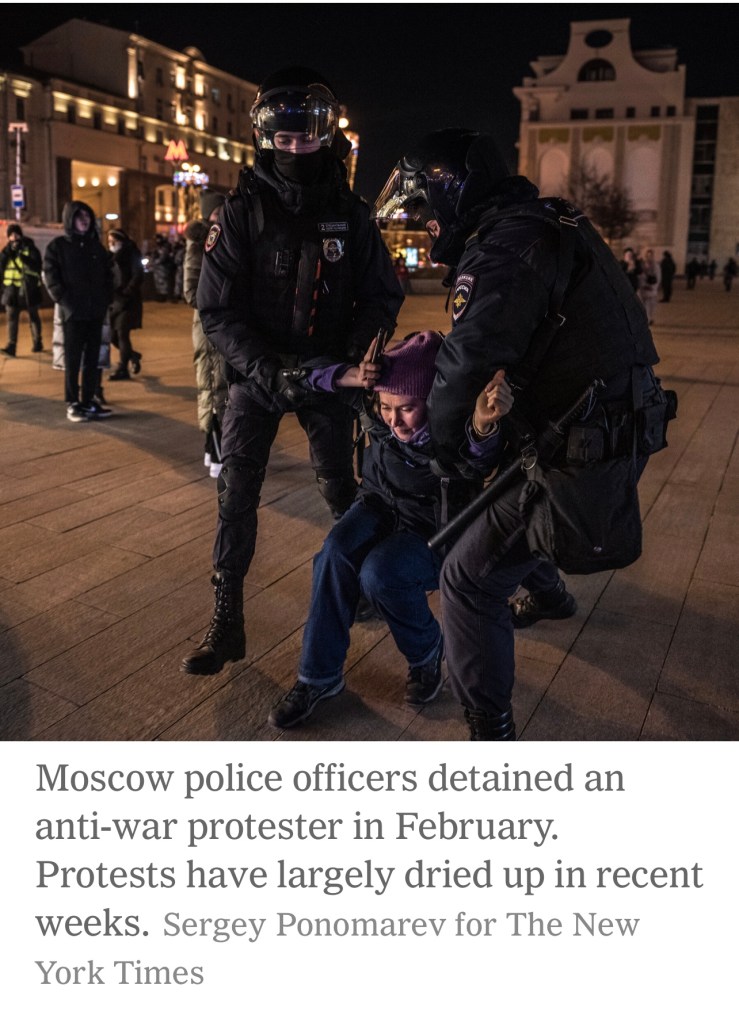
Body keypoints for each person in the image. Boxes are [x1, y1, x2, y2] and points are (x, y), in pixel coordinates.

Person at [374, 128, 664, 741]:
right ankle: (552, 597)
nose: (423, 223)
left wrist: (447, 451)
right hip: (606, 424)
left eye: (425, 207)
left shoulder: (505, 248)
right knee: (512, 528)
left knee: (469, 578)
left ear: (453, 193)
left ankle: (491, 731)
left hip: (580, 443)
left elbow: (465, 365)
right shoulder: (544, 222)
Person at [181, 66, 404, 676]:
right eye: (283, 135)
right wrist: (263, 368)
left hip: (328, 376)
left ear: (326, 135)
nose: (295, 146)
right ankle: (227, 619)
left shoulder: (352, 215)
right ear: (264, 137)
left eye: (307, 134)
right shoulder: (241, 212)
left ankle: (361, 587)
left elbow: (382, 296)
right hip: (258, 379)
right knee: (236, 495)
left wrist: (354, 357)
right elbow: (215, 308)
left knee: (340, 487)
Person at [268, 330, 513, 728]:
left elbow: (479, 459)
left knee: (380, 573)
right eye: (385, 405)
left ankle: (426, 652)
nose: (394, 420)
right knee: (333, 553)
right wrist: (353, 375)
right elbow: (303, 376)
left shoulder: (451, 427)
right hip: (380, 504)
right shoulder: (375, 407)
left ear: (433, 401)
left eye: (408, 408)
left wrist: (485, 428)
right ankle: (318, 677)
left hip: (435, 529)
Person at [43, 201, 113, 422]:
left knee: (93, 359)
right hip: (72, 314)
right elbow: (50, 276)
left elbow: (109, 275)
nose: (84, 220)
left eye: (87, 216)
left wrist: (104, 301)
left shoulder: (95, 247)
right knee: (73, 361)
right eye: (79, 216)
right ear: (70, 219)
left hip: (94, 313)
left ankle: (89, 399)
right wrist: (65, 301)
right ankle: (73, 402)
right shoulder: (59, 246)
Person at [184, 191, 228, 478]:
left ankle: (216, 450)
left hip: (227, 325)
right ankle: (215, 452)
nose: (220, 217)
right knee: (213, 389)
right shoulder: (198, 245)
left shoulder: (229, 238)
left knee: (224, 389)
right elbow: (191, 292)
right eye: (216, 213)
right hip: (208, 326)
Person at [107, 229, 144, 381]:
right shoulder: (111, 256)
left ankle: (123, 368)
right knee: (112, 336)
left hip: (128, 301)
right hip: (114, 301)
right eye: (109, 241)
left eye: (113, 241)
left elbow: (138, 275)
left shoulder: (132, 253)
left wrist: (127, 292)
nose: (111, 244)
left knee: (122, 333)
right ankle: (133, 355)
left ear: (121, 241)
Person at [1, 224, 44, 356]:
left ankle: (37, 341)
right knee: (12, 318)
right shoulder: (6, 251)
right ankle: (11, 345)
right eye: (11, 235)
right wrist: (7, 254)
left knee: (33, 316)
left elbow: (37, 265)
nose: (14, 237)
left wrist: (22, 256)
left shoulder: (30, 248)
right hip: (11, 290)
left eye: (16, 234)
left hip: (28, 289)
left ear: (21, 235)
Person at [638, 249, 661, 324]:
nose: (649, 257)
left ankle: (649, 318)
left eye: (650, 255)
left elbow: (658, 277)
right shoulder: (643, 265)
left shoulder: (656, 266)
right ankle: (646, 319)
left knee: (650, 305)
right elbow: (640, 276)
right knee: (644, 305)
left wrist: (654, 287)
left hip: (651, 289)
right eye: (647, 255)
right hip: (643, 288)